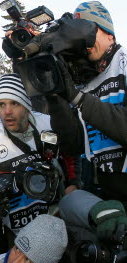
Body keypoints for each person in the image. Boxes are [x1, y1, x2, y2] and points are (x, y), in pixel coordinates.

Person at [47, 1, 127, 201]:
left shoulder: (124, 65)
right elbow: (72, 145)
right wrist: (56, 94)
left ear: (109, 33)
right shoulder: (84, 82)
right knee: (70, 204)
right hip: (107, 196)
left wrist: (79, 99)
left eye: (90, 31)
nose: (86, 42)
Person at [0, 74, 62, 235]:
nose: (7, 112)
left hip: (54, 214)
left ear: (26, 104)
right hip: (16, 228)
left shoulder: (48, 123)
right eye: (1, 104)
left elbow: (70, 156)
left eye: (14, 103)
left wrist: (73, 183)